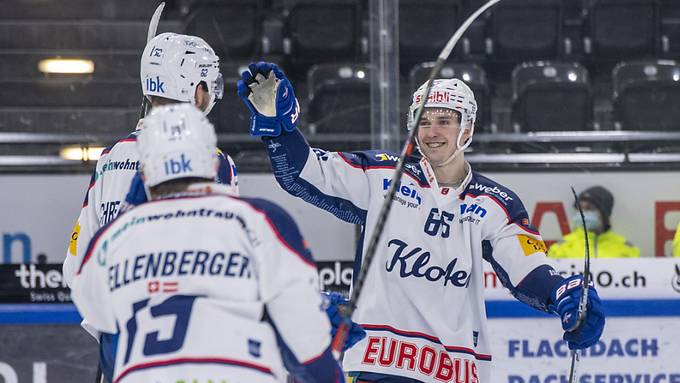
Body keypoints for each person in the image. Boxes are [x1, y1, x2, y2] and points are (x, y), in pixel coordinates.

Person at [237, 62, 606, 382]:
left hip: (456, 370)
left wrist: (565, 295)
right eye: (423, 121)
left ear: (468, 128)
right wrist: (280, 128)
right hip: (379, 362)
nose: (431, 132)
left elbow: (528, 269)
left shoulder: (496, 203)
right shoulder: (383, 174)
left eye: (444, 121)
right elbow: (305, 172)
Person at [70, 104, 345, 383]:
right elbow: (307, 349)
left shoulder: (115, 239)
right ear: (214, 163)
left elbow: (93, 307)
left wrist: (129, 212)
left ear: (145, 175)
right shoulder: (260, 220)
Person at [64, 32, 238, 288]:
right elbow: (228, 267)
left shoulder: (109, 157)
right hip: (182, 319)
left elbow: (75, 269)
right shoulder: (214, 162)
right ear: (197, 91)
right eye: (210, 86)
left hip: (116, 320)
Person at [548, 186, 640, 258]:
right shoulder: (560, 248)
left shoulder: (628, 250)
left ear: (604, 213)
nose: (582, 213)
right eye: (579, 208)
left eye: (589, 208)